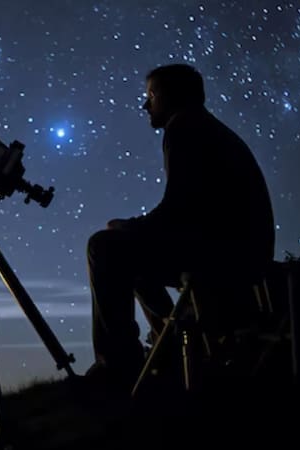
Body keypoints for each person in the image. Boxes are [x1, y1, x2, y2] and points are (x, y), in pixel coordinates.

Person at [86, 64, 275, 383]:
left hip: (224, 252)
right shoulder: (206, 127)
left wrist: (129, 227)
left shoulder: (184, 126)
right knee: (133, 254)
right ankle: (169, 342)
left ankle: (117, 367)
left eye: (152, 95)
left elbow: (178, 210)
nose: (146, 104)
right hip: (239, 248)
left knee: (104, 247)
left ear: (174, 95)